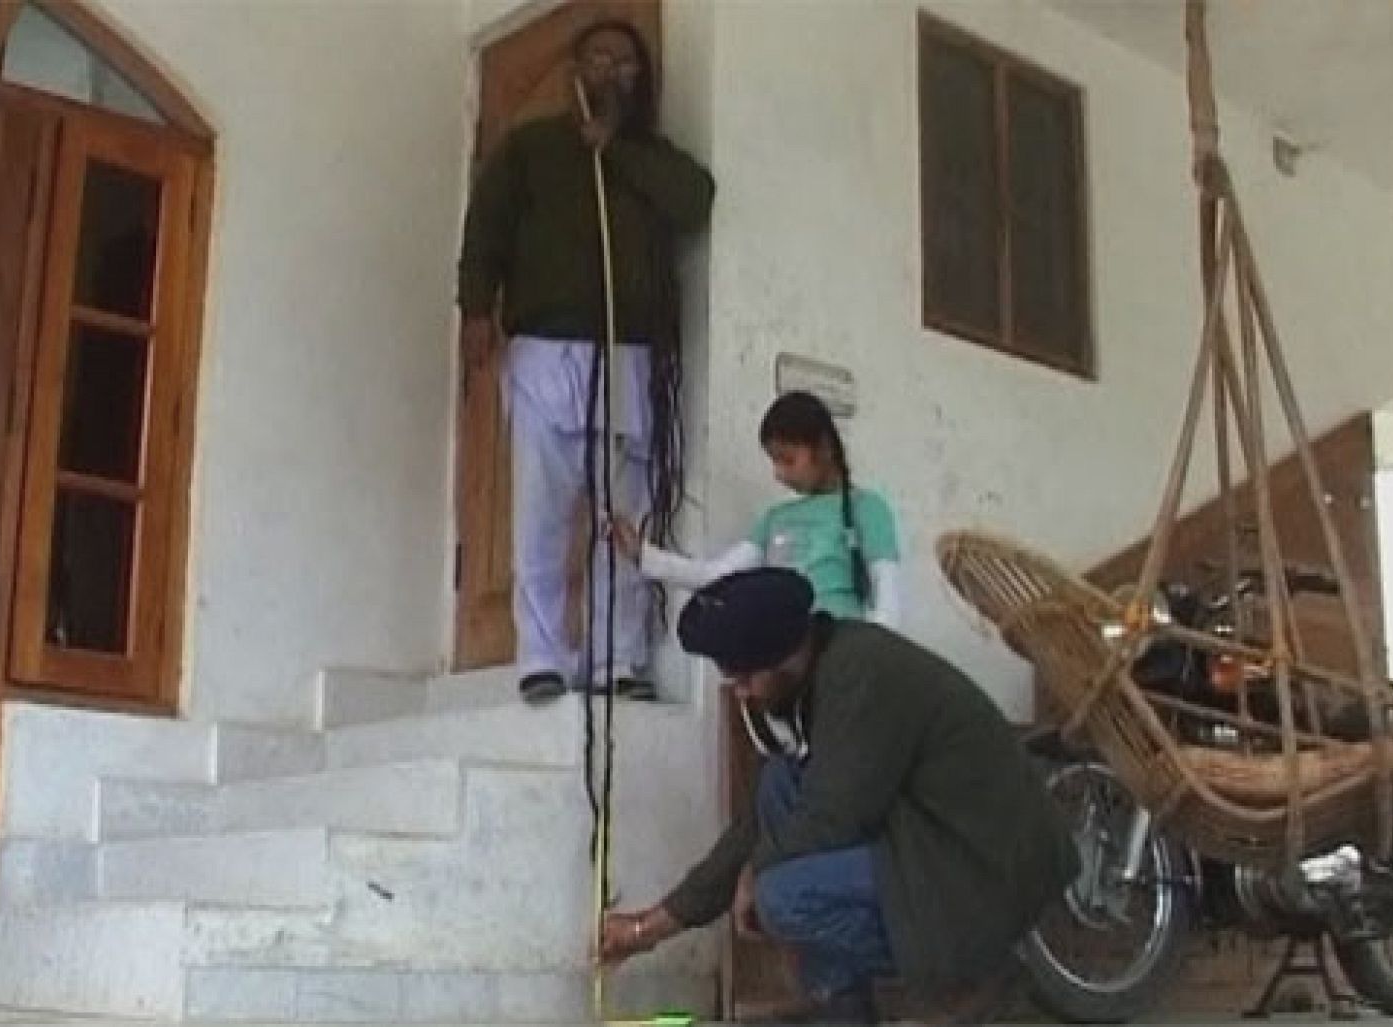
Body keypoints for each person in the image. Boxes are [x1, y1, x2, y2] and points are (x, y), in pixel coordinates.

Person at [598, 568, 1079, 1024]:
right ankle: (838, 1004)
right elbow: (757, 829)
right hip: (918, 838)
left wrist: (753, 874)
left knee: (783, 899)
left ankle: (972, 976)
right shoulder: (821, 671)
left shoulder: (861, 674)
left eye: (746, 679)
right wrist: (652, 927)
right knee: (777, 787)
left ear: (784, 658)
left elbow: (834, 817)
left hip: (978, 864)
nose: (741, 694)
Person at [457, 18, 715, 705]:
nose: (611, 72)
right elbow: (485, 227)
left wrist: (618, 150)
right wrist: (475, 307)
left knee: (624, 519)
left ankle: (617, 658)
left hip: (632, 359)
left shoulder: (652, 159)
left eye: (627, 64)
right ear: (575, 66)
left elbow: (698, 201)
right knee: (542, 513)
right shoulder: (530, 148)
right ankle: (541, 655)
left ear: (642, 82)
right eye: (599, 58)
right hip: (546, 352)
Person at [613, 390, 902, 628]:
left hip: (840, 653)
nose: (779, 474)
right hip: (782, 659)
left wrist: (863, 663)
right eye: (775, 462)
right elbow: (716, 577)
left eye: (788, 460)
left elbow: (888, 606)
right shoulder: (775, 519)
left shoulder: (867, 509)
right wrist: (643, 554)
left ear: (824, 448)